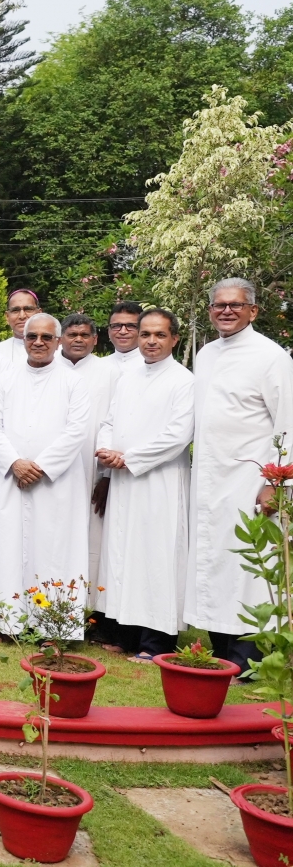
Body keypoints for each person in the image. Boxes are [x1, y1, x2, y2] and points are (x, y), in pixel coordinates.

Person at [187, 278, 293, 672]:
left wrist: (276, 483)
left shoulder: (271, 356)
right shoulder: (206, 354)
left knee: (250, 567)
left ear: (253, 311)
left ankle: (250, 658)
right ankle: (220, 651)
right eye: (219, 305)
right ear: (210, 310)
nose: (226, 311)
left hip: (251, 479)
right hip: (210, 477)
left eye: (235, 304)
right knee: (216, 561)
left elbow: (288, 423)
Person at [0, 313, 91, 634]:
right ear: (24, 340)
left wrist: (40, 467)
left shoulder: (73, 382)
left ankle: (53, 627)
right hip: (11, 478)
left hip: (56, 483)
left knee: (54, 549)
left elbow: (77, 430)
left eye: (46, 337)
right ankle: (8, 623)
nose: (39, 342)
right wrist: (14, 462)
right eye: (32, 337)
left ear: (58, 342)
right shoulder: (5, 379)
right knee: (10, 548)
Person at [96, 308, 194, 661]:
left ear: (174, 339)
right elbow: (108, 422)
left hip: (159, 481)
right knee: (124, 555)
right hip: (124, 480)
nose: (151, 341)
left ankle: (156, 641)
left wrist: (129, 457)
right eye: (146, 334)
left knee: (156, 557)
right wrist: (106, 451)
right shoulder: (129, 377)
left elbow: (178, 435)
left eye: (160, 335)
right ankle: (124, 633)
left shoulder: (184, 381)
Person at [59, 313, 120, 587]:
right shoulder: (48, 367)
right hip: (51, 470)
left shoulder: (110, 373)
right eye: (72, 334)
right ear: (60, 338)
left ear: (95, 340)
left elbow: (114, 424)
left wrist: (106, 476)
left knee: (92, 534)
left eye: (85, 335)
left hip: (92, 469)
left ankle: (88, 600)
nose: (78, 339)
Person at [0, 289, 41, 370]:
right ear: (7, 317)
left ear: (39, 313)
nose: (22, 316)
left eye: (28, 309)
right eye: (15, 310)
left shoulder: (57, 351)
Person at [103, 301, 144, 377]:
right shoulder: (99, 366)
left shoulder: (154, 365)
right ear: (109, 331)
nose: (123, 331)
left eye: (131, 326)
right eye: (116, 326)